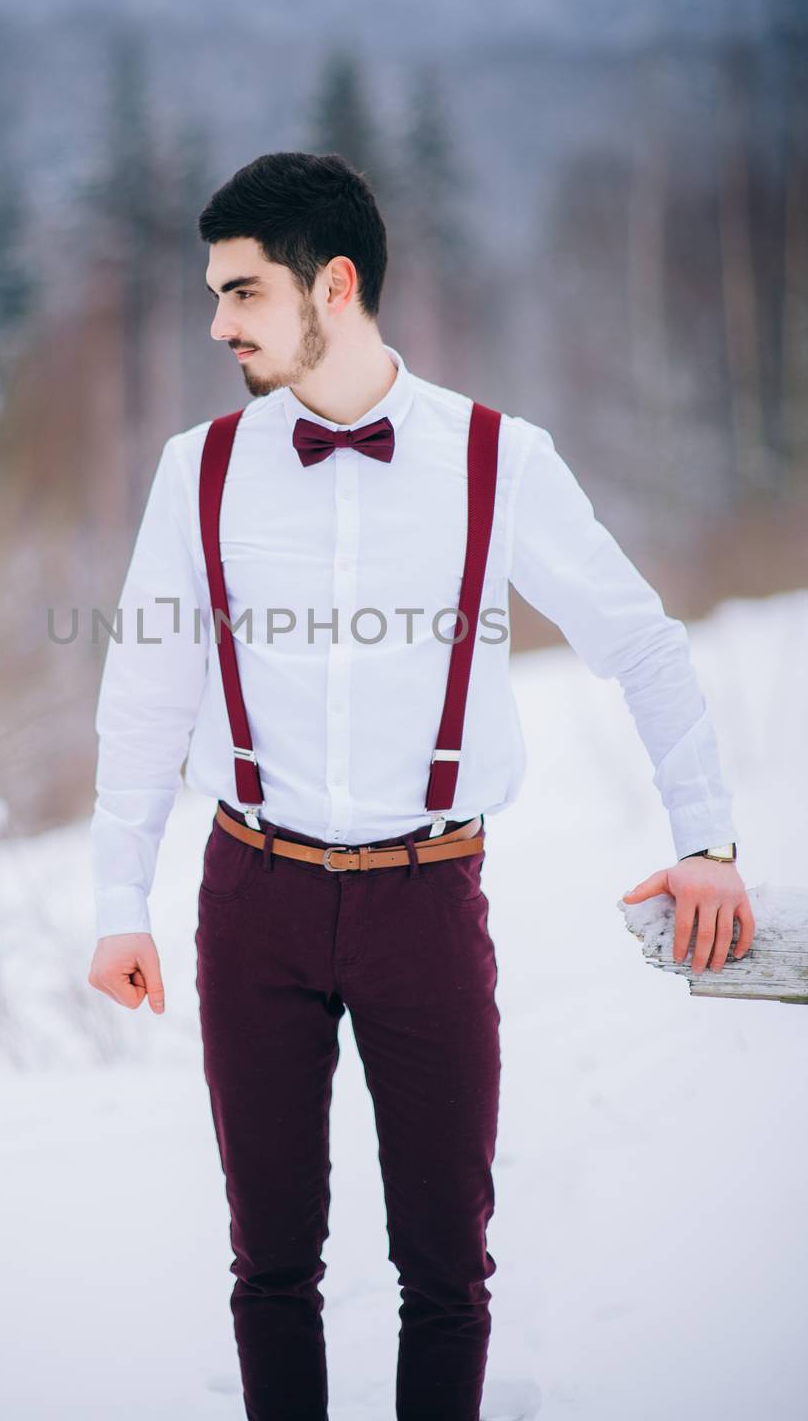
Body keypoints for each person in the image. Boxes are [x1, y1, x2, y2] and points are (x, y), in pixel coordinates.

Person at [87, 151, 753, 1421]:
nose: (217, 322)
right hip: (253, 896)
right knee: (270, 1267)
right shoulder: (202, 467)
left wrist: (706, 836)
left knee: (448, 1271)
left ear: (333, 286)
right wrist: (123, 898)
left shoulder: (497, 459)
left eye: (241, 293)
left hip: (428, 900)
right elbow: (146, 693)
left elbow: (644, 644)